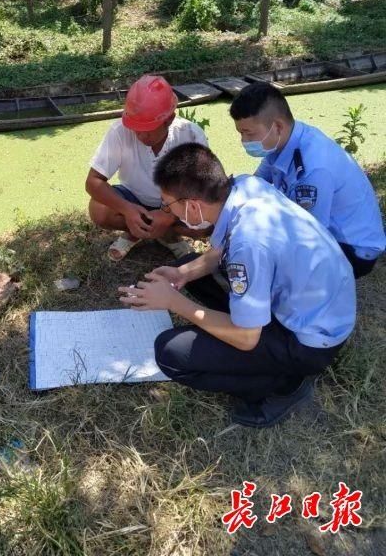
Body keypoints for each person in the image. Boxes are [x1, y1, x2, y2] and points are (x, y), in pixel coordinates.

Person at [119, 143, 356, 428]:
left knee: (170, 353)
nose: (167, 212)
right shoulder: (246, 186)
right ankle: (258, 340)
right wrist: (182, 273)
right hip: (319, 307)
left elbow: (246, 338)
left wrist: (173, 301)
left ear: (192, 206)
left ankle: (284, 385)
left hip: (308, 342)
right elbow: (224, 249)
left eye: (167, 205)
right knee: (194, 265)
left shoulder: (249, 243)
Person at [229, 82, 385, 278]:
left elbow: (308, 236)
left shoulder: (313, 169)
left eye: (249, 133)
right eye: (241, 133)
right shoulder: (283, 140)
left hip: (353, 249)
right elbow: (256, 184)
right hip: (324, 229)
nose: (244, 141)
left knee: (263, 258)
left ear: (277, 126)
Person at [86, 75, 208, 261]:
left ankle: (168, 235)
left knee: (205, 225)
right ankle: (135, 229)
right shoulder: (119, 131)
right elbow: (93, 182)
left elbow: (200, 186)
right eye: (135, 127)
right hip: (133, 198)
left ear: (169, 119)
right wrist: (128, 210)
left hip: (177, 204)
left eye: (147, 129)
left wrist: (167, 215)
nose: (140, 135)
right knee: (99, 210)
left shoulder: (190, 134)